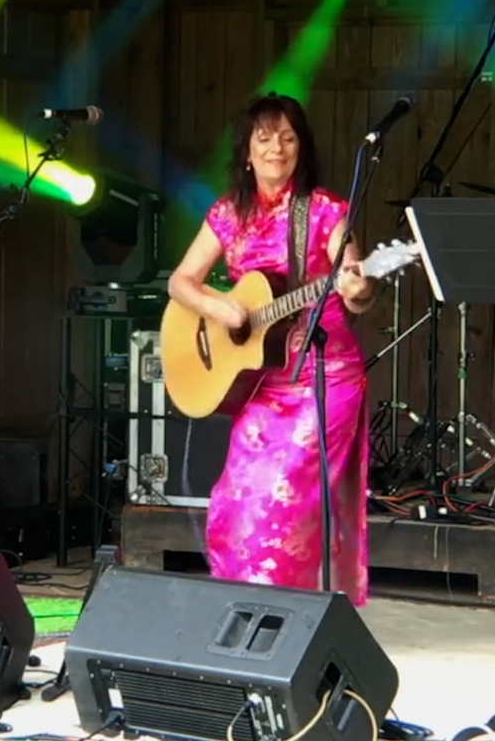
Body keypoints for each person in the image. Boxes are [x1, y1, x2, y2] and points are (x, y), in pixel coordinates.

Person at [168, 93, 376, 606]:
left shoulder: (324, 211)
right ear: (247, 152)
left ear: (301, 149)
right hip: (263, 379)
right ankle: (249, 606)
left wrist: (359, 286)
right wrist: (220, 309)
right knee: (235, 499)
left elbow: (356, 286)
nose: (276, 148)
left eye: (287, 138)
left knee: (284, 501)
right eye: (264, 139)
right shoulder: (228, 213)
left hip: (325, 376)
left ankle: (286, 611)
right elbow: (181, 282)